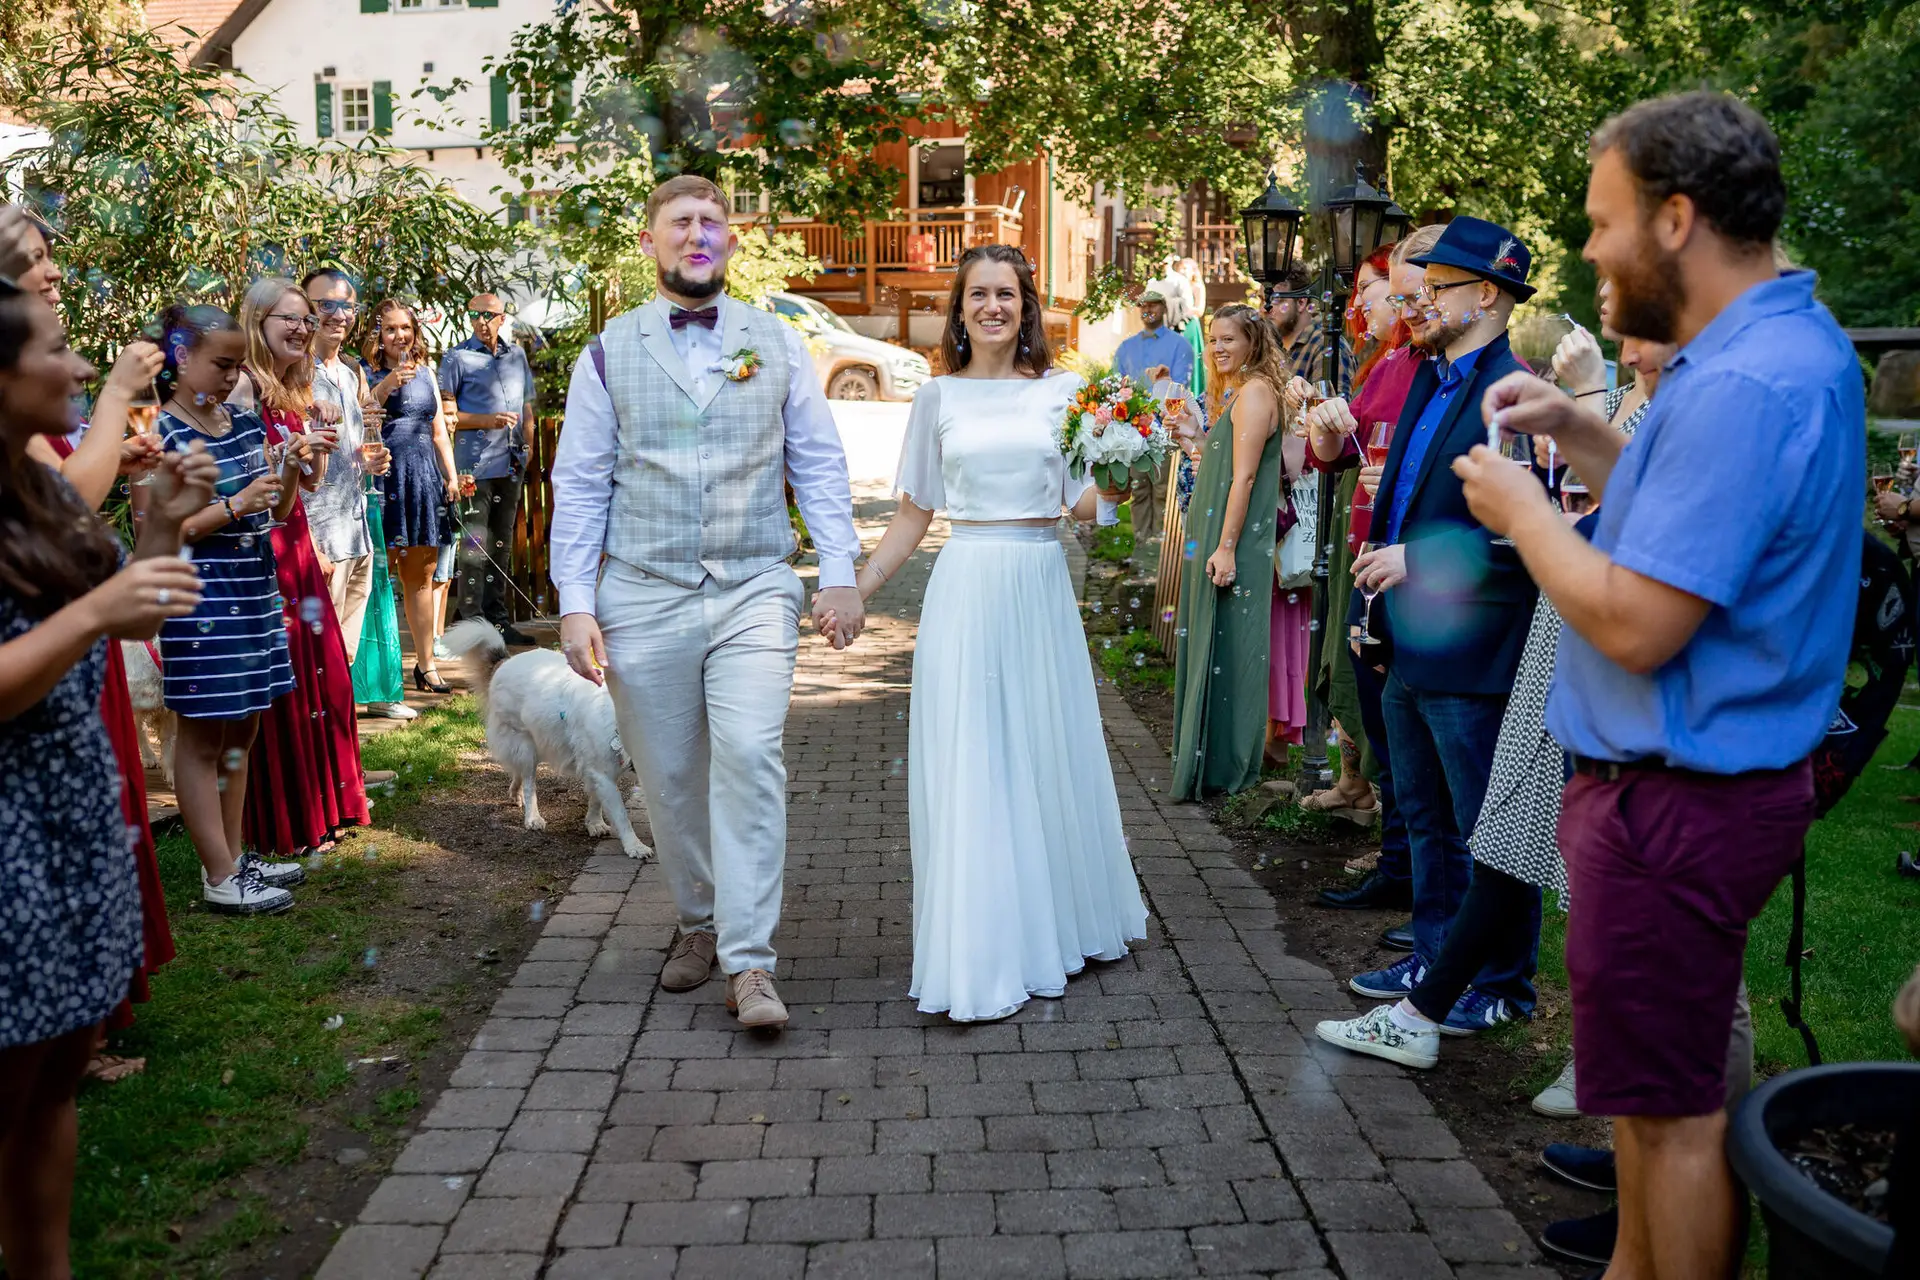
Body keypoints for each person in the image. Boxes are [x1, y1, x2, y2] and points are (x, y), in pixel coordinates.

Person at [1458, 91, 1863, 1280]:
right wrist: (1583, 438)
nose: (1590, 251)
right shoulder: (1773, 346)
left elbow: (1639, 619)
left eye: (1603, 223)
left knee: (1674, 1121)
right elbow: (1699, 514)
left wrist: (1527, 513)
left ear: (1676, 220)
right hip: (1687, 792)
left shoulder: (1742, 382)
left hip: (1675, 799)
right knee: (1647, 1106)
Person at [551, 175, 864, 1030]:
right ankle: (699, 920)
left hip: (755, 584)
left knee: (751, 755)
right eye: (680, 222)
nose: (697, 234)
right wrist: (575, 601)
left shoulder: (779, 343)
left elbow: (819, 462)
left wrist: (839, 569)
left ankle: (750, 961)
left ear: (730, 240)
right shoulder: (608, 352)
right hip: (641, 593)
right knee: (669, 776)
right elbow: (581, 484)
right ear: (649, 241)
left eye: (711, 222)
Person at [850, 243, 1147, 1021]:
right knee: (975, 759)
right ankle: (982, 946)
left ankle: (1062, 922)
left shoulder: (1067, 393)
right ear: (959, 308)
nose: (992, 307)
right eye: (978, 294)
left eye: (1006, 294)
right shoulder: (936, 398)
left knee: (1046, 748)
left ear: (1026, 307)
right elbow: (914, 513)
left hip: (1039, 582)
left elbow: (1084, 504)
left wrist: (1121, 473)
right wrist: (858, 587)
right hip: (967, 585)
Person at [0, 278, 214, 1280]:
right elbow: (84, 622)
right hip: (7, 835)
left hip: (70, 818)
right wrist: (93, 612)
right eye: (54, 348)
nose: (83, 365)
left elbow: (131, 609)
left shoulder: (39, 488)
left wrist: (162, 526)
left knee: (51, 1084)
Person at [1347, 216, 1542, 1028]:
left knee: (1487, 831)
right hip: (1409, 641)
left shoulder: (1514, 395)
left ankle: (1502, 988)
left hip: (1475, 653)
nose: (1417, 301)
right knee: (1425, 822)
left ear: (1486, 295)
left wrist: (1417, 560)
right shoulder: (1432, 378)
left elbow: (1531, 537)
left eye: (1436, 288)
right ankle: (1435, 959)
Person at [1301, 227, 1442, 927]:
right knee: (1387, 733)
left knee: (1421, 746)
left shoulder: (1448, 374)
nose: (1367, 306)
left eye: (1381, 291)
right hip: (1368, 570)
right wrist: (1325, 423)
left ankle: (1430, 890)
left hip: (1424, 581)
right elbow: (1333, 453)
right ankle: (1397, 869)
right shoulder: (1389, 366)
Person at [152, 302, 306, 912]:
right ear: (181, 357)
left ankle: (235, 860)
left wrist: (289, 469)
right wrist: (236, 504)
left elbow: (280, 511)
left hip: (252, 593)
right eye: (222, 364)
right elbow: (161, 532)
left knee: (243, 727)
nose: (233, 376)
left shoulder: (242, 423)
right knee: (201, 736)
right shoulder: (161, 433)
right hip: (200, 602)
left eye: (238, 365)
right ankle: (218, 876)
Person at [231, 279, 371, 860]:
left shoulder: (294, 391)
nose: (301, 328)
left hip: (296, 546)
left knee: (326, 679)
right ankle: (286, 821)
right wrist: (289, 456)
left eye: (306, 320)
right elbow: (247, 486)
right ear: (257, 322)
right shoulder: (242, 386)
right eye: (287, 318)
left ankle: (325, 807)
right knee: (289, 686)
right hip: (261, 551)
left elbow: (306, 486)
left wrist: (314, 445)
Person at [1170, 303, 1286, 798]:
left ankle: (1228, 764)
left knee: (1233, 645)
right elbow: (1223, 465)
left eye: (1228, 339)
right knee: (1211, 641)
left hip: (1231, 542)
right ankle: (1209, 755)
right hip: (1216, 535)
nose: (1217, 348)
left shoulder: (1256, 392)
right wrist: (1195, 439)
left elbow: (1245, 478)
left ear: (1252, 343)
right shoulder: (1241, 391)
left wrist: (1226, 548)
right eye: (1212, 339)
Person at [367, 299, 459, 694]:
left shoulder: (426, 373)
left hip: (422, 479)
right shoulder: (363, 372)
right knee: (376, 577)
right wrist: (387, 384)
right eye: (390, 328)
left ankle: (426, 666)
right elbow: (361, 414)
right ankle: (374, 675)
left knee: (421, 577)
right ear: (378, 334)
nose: (399, 335)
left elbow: (439, 432)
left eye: (405, 327)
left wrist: (450, 476)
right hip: (384, 479)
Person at [441, 292, 535, 645]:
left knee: (501, 544)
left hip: (510, 463)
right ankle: (472, 624)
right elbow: (447, 417)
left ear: (502, 318)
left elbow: (527, 408)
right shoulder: (456, 357)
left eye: (488, 315)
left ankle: (497, 621)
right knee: (474, 547)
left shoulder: (517, 356)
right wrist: (488, 420)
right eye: (475, 315)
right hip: (474, 468)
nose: (481, 321)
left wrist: (528, 449)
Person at [301, 271, 380, 668]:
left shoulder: (349, 374)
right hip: (321, 537)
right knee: (319, 660)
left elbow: (346, 453)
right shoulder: (295, 377)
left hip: (356, 533)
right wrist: (310, 545)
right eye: (326, 305)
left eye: (347, 306)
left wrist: (367, 461)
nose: (339, 315)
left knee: (344, 658)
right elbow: (288, 462)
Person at [1111, 289, 1193, 557]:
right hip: (1134, 430)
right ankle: (1142, 551)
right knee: (1139, 490)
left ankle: (1162, 552)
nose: (1148, 310)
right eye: (1143, 306)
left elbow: (1179, 388)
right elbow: (1117, 386)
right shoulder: (1126, 348)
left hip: (1165, 428)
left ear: (1164, 309)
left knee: (1162, 490)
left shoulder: (1180, 346)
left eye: (1154, 305)